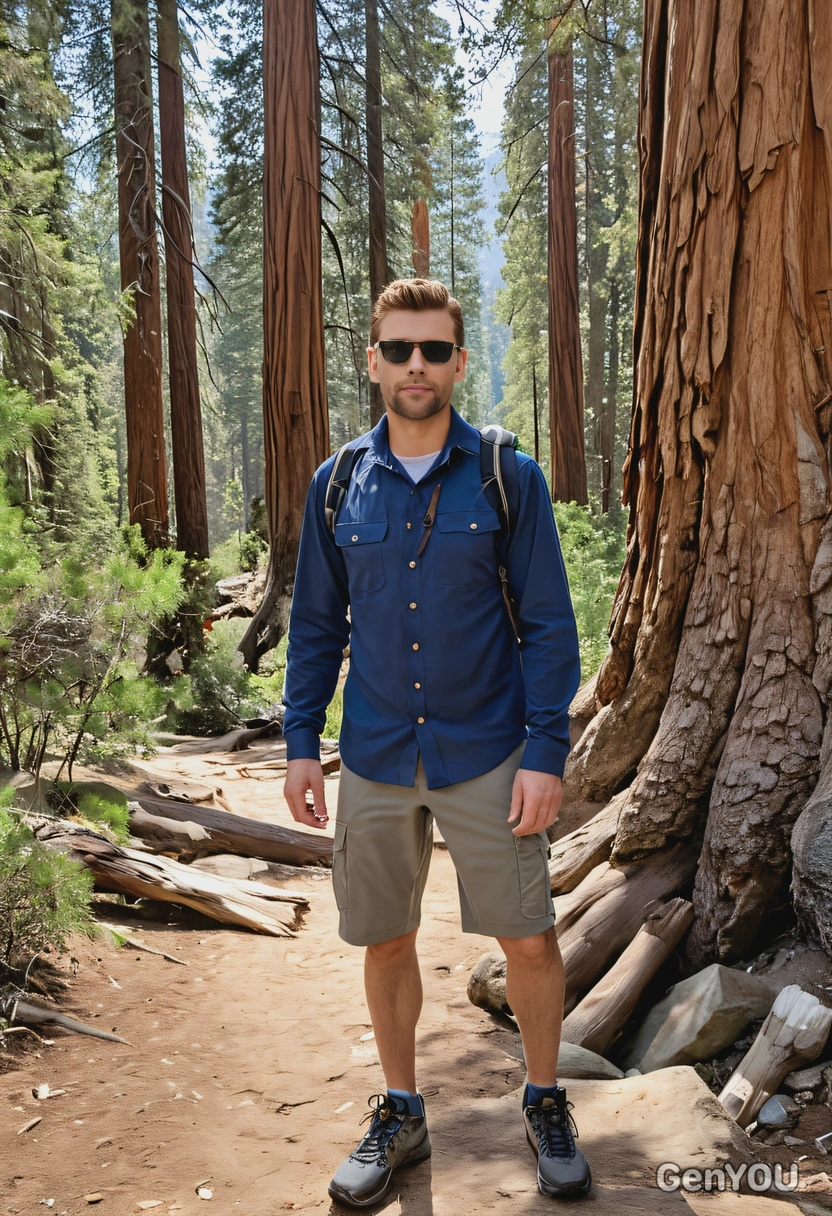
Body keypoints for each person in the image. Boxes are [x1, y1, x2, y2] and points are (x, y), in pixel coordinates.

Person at [282, 278, 589, 1206]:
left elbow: (549, 625)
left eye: (435, 351)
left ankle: (543, 1099)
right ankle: (401, 1111)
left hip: (489, 750)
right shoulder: (338, 483)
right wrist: (302, 743)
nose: (418, 366)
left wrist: (545, 752)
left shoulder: (506, 476)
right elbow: (316, 626)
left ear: (458, 362)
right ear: (374, 361)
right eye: (401, 350)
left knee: (528, 939)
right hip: (375, 752)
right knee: (386, 937)